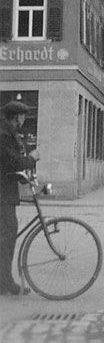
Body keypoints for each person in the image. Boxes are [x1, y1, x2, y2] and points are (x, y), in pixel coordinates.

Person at [0, 101, 40, 295]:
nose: (24, 120)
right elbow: (12, 162)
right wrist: (32, 158)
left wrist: (24, 178)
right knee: (6, 238)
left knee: (6, 238)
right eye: (22, 116)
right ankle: (5, 283)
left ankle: (4, 282)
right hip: (2, 196)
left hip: (5, 194)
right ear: (14, 117)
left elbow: (10, 165)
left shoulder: (9, 134)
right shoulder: (4, 135)